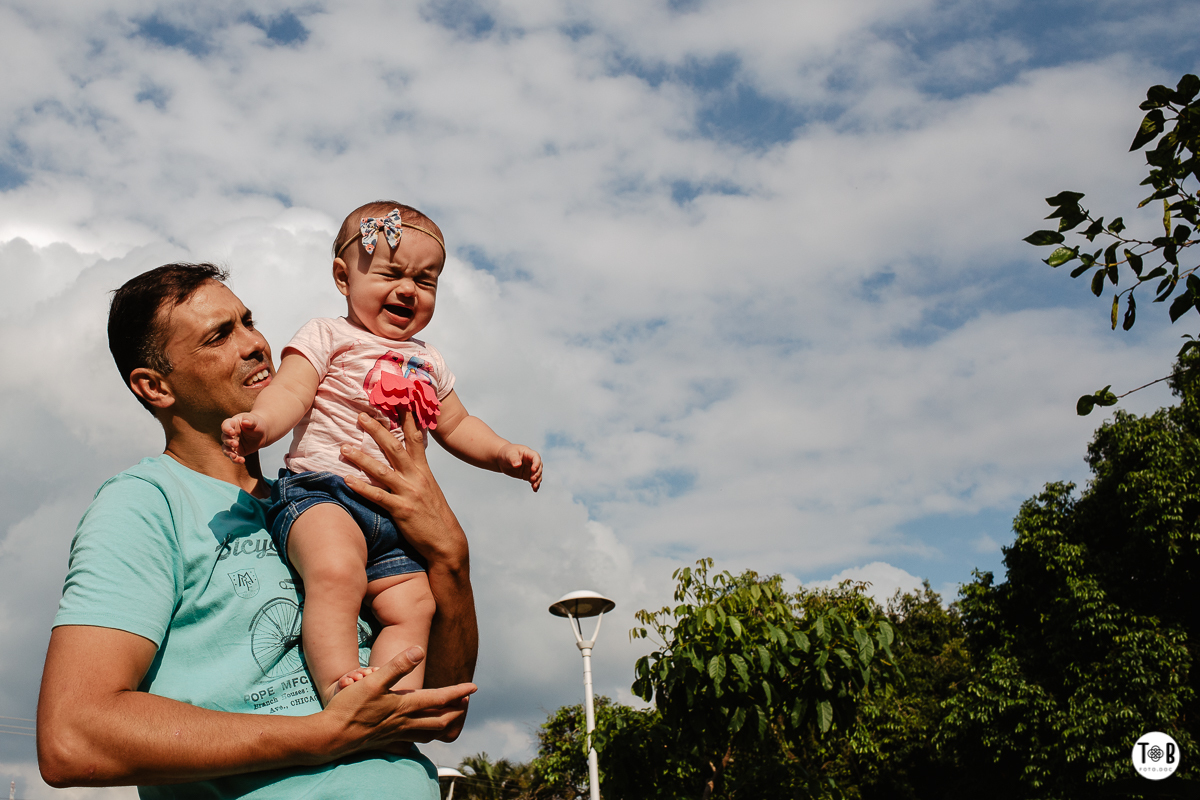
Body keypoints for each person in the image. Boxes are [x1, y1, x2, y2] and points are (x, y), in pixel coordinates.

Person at [37, 262, 477, 799]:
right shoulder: (145, 504)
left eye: (248, 321)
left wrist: (452, 557)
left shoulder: (334, 507)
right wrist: (320, 736)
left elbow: (440, 716)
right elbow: (72, 736)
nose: (256, 345)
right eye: (220, 335)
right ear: (154, 386)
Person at [220, 201, 540, 704]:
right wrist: (262, 424)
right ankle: (339, 682)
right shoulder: (327, 334)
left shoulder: (429, 360)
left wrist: (502, 453)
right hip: (322, 494)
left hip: (398, 517)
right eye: (391, 273)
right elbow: (292, 391)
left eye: (426, 281)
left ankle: (395, 698)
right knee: (335, 571)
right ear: (343, 278)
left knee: (414, 604)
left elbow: (456, 423)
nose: (408, 290)